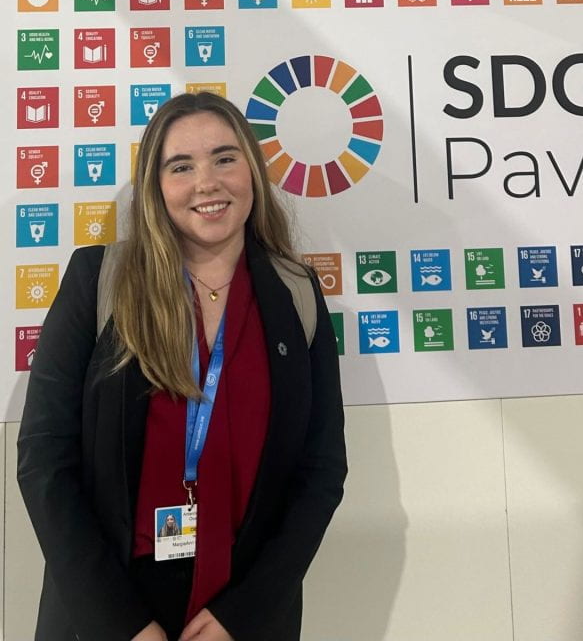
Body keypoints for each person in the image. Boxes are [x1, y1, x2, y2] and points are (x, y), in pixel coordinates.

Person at [17, 91, 347, 641]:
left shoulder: (296, 292)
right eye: (181, 166)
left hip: (243, 612)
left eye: (224, 157)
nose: (207, 182)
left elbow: (320, 471)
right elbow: (44, 462)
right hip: (111, 607)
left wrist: (245, 614)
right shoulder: (99, 281)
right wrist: (120, 624)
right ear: (156, 185)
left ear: (251, 170)